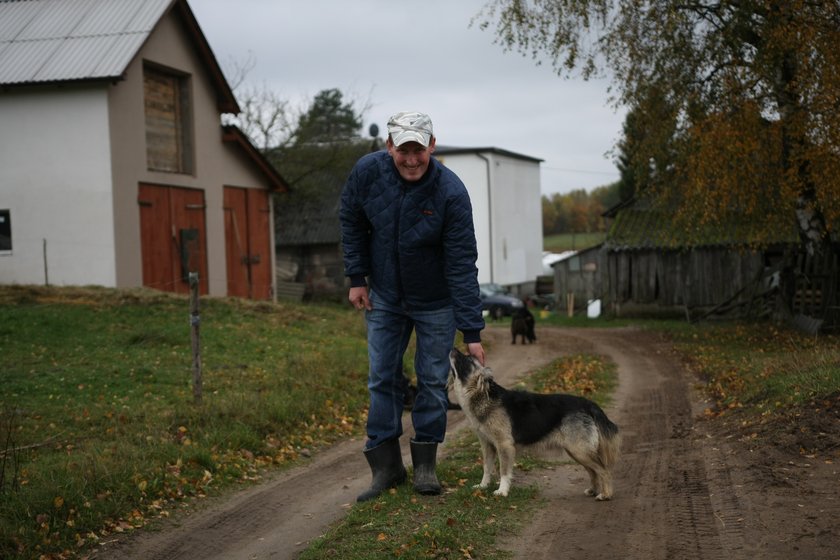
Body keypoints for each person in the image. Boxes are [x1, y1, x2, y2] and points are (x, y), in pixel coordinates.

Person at [340, 111, 486, 501]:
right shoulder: (368, 173)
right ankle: (386, 470)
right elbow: (351, 219)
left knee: (433, 382)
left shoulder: (451, 193)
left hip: (436, 302)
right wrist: (357, 277)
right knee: (382, 378)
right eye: (402, 149)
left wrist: (471, 331)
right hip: (385, 296)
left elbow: (461, 263)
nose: (410, 158)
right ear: (389, 147)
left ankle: (425, 466)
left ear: (431, 147)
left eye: (418, 149)